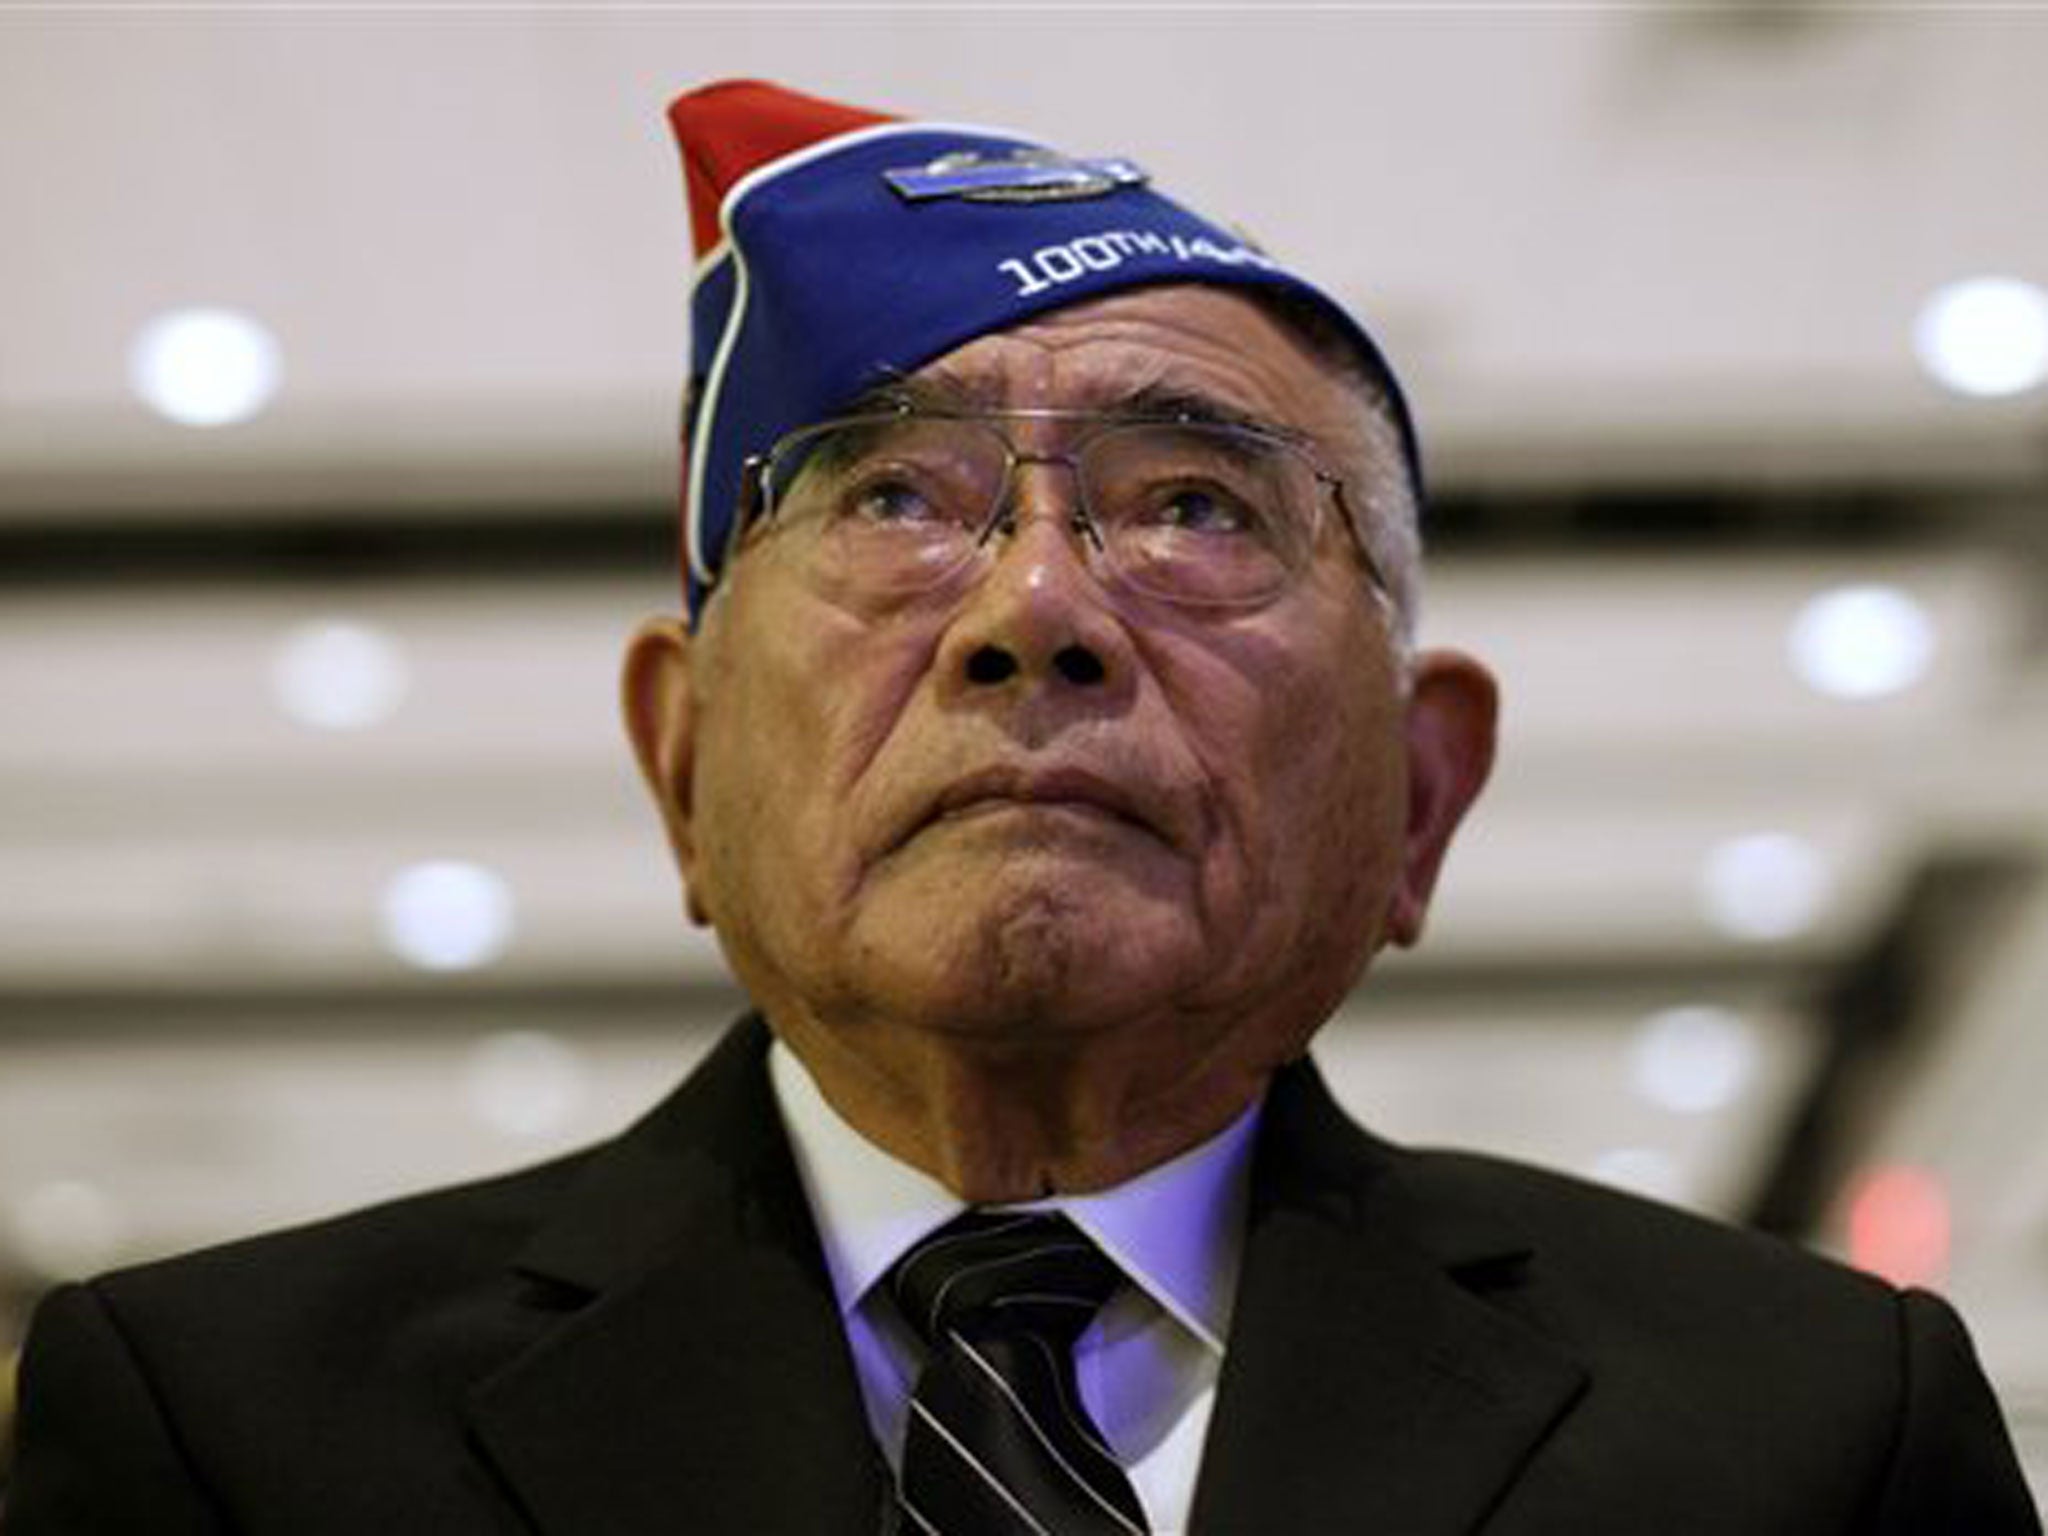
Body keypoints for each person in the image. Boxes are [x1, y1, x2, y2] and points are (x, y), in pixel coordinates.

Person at [4, 79, 2037, 1536]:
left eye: (1196, 508)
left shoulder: (1810, 1439)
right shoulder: (228, 1432)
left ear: (1422, 796)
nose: (1038, 607)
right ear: (684, 762)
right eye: (888, 498)